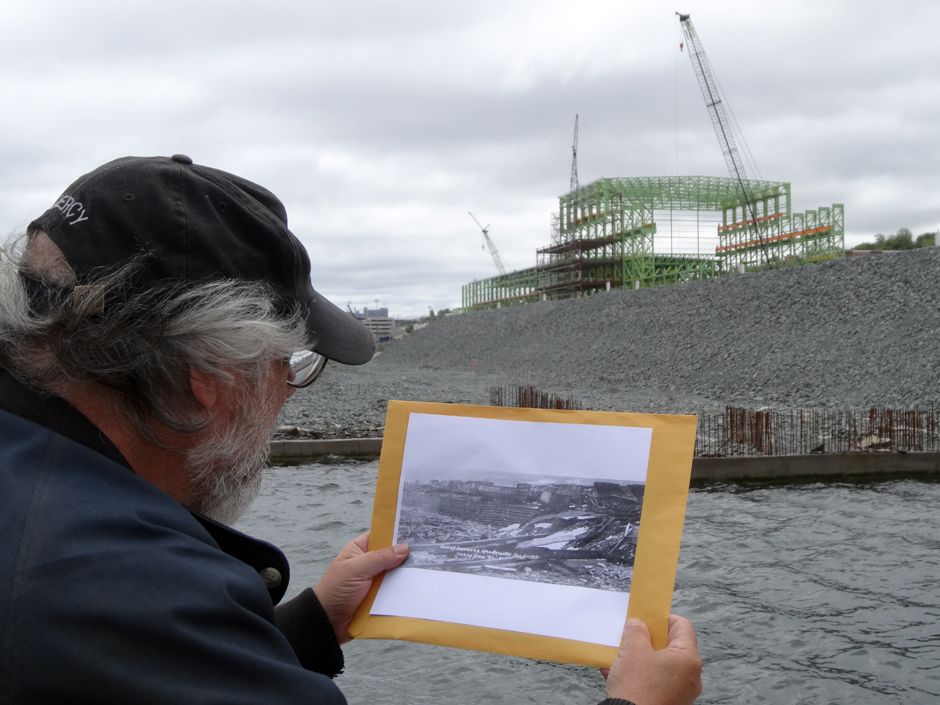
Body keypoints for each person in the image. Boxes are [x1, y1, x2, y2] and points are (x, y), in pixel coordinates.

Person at [0, 154, 702, 705]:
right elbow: (134, 631)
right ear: (205, 382)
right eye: (289, 366)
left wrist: (306, 624)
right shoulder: (133, 589)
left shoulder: (55, 514)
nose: (288, 399)